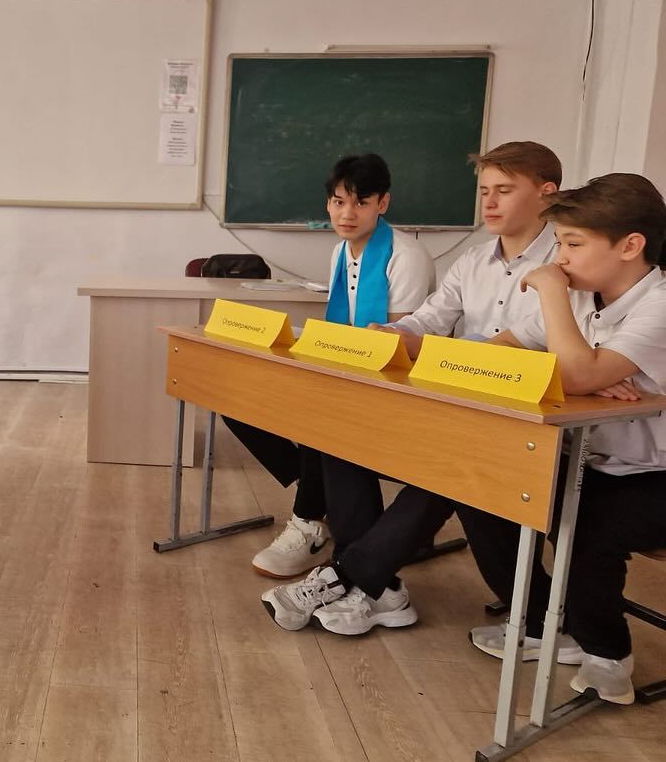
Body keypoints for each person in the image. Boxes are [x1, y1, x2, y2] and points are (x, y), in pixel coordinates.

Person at [261, 141, 577, 636]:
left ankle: (352, 579)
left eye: (504, 190)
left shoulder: (569, 261)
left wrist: (427, 346)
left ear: (547, 192)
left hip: (527, 421)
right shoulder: (473, 260)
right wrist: (392, 333)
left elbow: (521, 344)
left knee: (449, 467)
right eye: (484, 191)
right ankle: (377, 588)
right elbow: (430, 317)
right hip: (460, 403)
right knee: (339, 434)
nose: (489, 202)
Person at [464, 173, 666, 705]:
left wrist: (557, 309)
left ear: (630, 246)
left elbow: (577, 374)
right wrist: (578, 371)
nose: (558, 259)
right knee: (483, 487)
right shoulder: (581, 294)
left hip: (654, 476)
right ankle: (542, 622)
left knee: (590, 526)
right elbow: (501, 352)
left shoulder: (659, 304)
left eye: (572, 244)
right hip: (590, 462)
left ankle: (609, 656)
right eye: (557, 244)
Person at [224, 153, 434, 578]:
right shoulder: (340, 250)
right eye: (339, 202)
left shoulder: (406, 256)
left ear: (383, 203)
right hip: (347, 368)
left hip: (393, 383)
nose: (347, 214)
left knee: (318, 418)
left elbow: (399, 344)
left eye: (360, 203)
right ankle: (318, 493)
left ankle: (309, 523)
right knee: (237, 400)